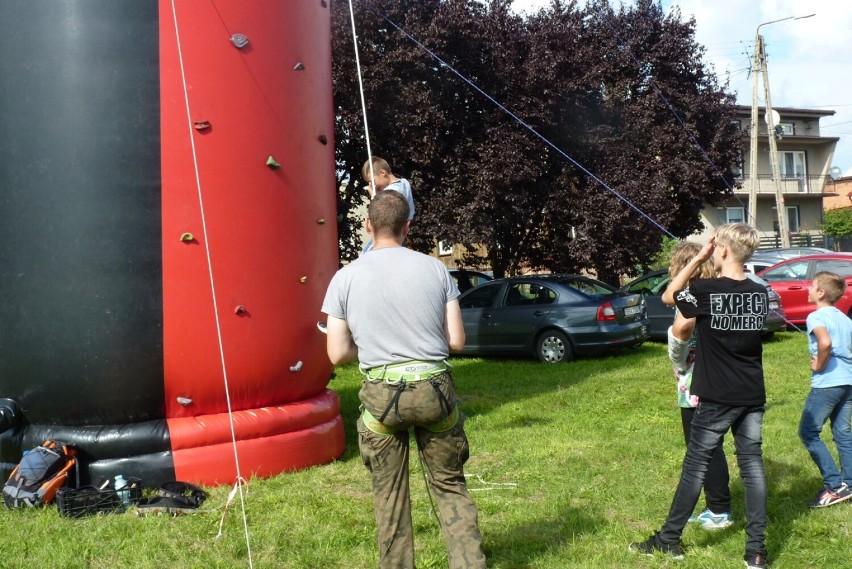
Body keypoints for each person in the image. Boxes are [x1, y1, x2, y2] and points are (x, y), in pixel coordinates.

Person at [321, 190, 486, 569]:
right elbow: (456, 342)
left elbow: (336, 354)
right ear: (407, 227)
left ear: (367, 226)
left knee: (389, 498)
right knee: (449, 487)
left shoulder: (344, 278)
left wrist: (376, 346)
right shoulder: (435, 269)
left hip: (382, 400)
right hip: (435, 394)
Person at [630, 223, 769, 569]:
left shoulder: (706, 289)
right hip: (751, 392)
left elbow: (668, 295)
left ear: (720, 249)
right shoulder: (759, 292)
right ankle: (756, 551)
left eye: (714, 245)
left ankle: (668, 540)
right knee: (752, 468)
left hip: (717, 393)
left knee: (695, 467)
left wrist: (696, 261)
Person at [666, 241, 733, 530]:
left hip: (697, 382)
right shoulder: (719, 291)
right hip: (724, 375)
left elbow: (683, 327)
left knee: (704, 447)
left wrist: (678, 360)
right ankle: (716, 507)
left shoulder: (691, 295)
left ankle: (719, 510)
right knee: (711, 444)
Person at [798, 271, 852, 508]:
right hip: (848, 381)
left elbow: (825, 343)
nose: (808, 290)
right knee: (842, 432)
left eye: (811, 286)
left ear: (820, 293)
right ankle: (849, 483)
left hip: (828, 384)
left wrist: (819, 364)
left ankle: (835, 484)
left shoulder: (815, 316)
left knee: (808, 432)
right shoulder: (845, 318)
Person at [361, 156, 415, 254]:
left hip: (389, 236)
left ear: (382, 173)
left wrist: (374, 197)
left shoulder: (391, 193)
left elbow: (381, 213)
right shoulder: (404, 183)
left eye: (372, 181)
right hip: (401, 235)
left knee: (365, 254)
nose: (372, 185)